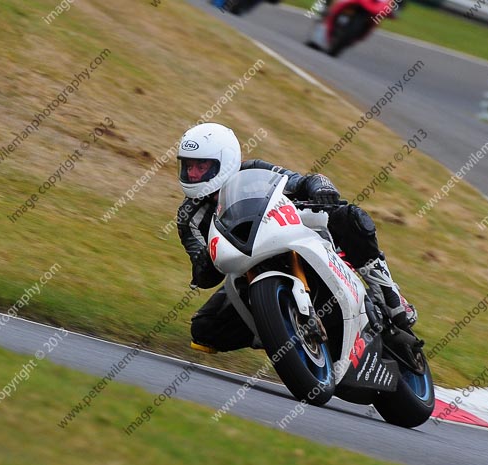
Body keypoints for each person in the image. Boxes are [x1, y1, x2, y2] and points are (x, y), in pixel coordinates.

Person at [175, 122, 416, 353]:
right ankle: (279, 332)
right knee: (204, 329)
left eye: (201, 166)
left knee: (348, 216)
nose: (193, 173)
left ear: (224, 162)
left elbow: (300, 181)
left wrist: (320, 187)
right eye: (188, 166)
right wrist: (209, 256)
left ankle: (387, 291)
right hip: (246, 269)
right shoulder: (189, 216)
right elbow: (201, 273)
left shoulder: (254, 171)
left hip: (289, 235)